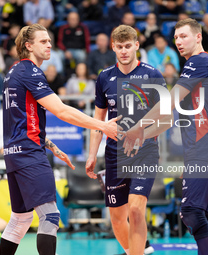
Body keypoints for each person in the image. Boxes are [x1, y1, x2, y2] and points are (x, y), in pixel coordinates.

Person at [0, 23, 118, 255]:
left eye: (50, 41)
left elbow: (22, 119)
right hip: (29, 154)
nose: (49, 45)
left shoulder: (13, 72)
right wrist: (102, 125)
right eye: (43, 41)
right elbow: (62, 111)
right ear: (28, 45)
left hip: (15, 153)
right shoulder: (30, 71)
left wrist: (50, 145)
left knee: (21, 219)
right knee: (51, 216)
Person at [123, 18, 208, 255]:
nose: (178, 42)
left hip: (205, 149)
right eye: (176, 37)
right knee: (205, 216)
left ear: (198, 37)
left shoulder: (199, 62)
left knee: (191, 212)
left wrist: (138, 127)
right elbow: (170, 119)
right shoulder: (207, 65)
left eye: (184, 36)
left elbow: (169, 102)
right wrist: (143, 135)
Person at [85, 24, 168, 255]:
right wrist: (92, 155)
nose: (124, 51)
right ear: (113, 47)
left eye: (128, 46)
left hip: (145, 151)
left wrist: (144, 133)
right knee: (118, 219)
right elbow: (98, 121)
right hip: (114, 154)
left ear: (137, 46)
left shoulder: (152, 74)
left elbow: (166, 116)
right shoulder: (104, 77)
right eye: (119, 47)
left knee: (136, 210)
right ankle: (139, 250)